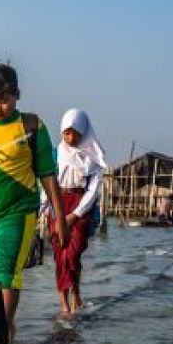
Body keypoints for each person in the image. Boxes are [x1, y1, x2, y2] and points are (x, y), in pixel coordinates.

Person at [0, 61, 67, 344]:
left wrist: (61, 219)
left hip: (17, 214)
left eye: (4, 100)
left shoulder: (30, 126)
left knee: (7, 272)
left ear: (17, 95)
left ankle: (2, 336)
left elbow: (47, 175)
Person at [53, 108, 107, 314]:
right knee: (60, 256)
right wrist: (45, 208)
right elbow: (48, 182)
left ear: (84, 133)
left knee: (72, 254)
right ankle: (63, 301)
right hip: (58, 202)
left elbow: (93, 189)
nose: (71, 138)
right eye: (67, 133)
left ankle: (76, 293)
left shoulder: (93, 157)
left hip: (80, 203)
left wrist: (76, 214)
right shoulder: (56, 152)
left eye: (76, 133)